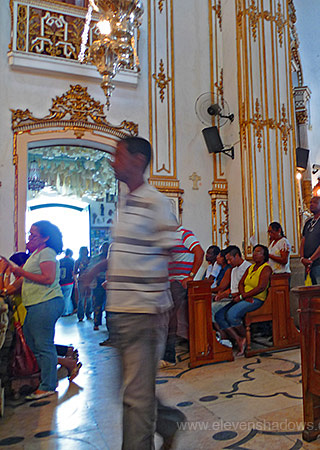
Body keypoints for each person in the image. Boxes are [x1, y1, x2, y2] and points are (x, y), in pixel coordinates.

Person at [81, 136, 184, 448]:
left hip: (144, 310)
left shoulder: (156, 202)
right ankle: (168, 421)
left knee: (135, 398)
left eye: (118, 155)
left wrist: (155, 299)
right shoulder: (124, 202)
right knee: (128, 391)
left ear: (138, 160)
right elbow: (125, 250)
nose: (113, 161)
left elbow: (171, 250)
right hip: (120, 309)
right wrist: (96, 270)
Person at [1, 221, 64, 400]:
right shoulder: (36, 254)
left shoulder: (47, 252)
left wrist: (20, 271)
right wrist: (6, 289)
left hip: (46, 302)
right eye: (29, 234)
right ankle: (46, 378)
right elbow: (23, 280)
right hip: (36, 304)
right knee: (32, 341)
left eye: (33, 235)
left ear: (45, 238)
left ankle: (48, 385)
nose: (29, 238)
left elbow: (48, 278)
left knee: (43, 345)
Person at [215, 245, 272, 356]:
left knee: (232, 315)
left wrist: (243, 296)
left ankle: (247, 338)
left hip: (257, 299)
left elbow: (261, 287)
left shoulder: (266, 268)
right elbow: (241, 283)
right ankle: (239, 339)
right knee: (219, 315)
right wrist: (243, 295)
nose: (255, 254)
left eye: (258, 252)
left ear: (264, 255)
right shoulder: (251, 267)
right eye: (254, 252)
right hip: (246, 297)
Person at [160, 226, 204, 368]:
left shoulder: (184, 234)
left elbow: (199, 252)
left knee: (169, 317)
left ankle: (169, 356)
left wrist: (190, 276)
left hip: (179, 282)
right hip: (168, 282)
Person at [91, 242, 109, 331]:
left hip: (105, 281)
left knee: (100, 304)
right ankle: (98, 323)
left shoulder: (95, 258)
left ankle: (98, 323)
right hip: (101, 282)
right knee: (101, 303)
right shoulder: (97, 259)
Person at [74, 246, 92, 321]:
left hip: (88, 280)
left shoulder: (89, 259)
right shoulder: (78, 261)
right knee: (82, 299)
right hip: (82, 280)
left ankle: (87, 314)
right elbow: (75, 271)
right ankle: (82, 315)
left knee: (88, 298)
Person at [58, 248, 75, 316]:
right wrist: (75, 280)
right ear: (70, 254)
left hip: (61, 282)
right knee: (67, 297)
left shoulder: (60, 261)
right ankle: (65, 312)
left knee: (63, 298)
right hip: (69, 282)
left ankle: (66, 311)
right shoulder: (71, 261)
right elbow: (73, 271)